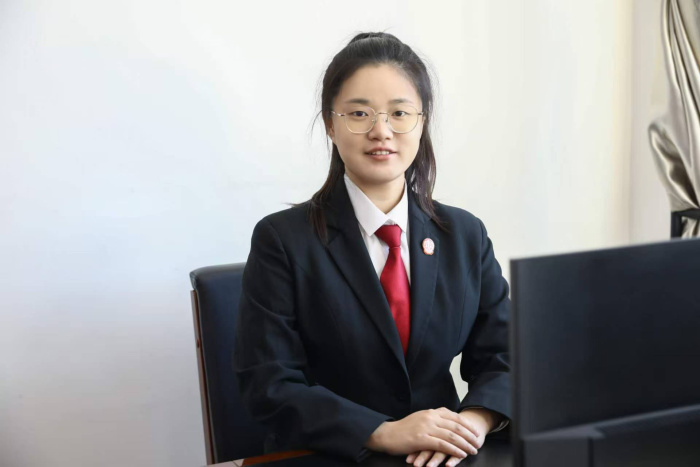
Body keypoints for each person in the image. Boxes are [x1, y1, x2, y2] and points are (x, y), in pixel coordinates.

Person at [234, 32, 510, 467]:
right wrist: (382, 431)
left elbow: (505, 354)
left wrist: (474, 422)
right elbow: (268, 382)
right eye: (359, 113)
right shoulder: (282, 241)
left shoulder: (464, 234)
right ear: (331, 124)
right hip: (330, 455)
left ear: (421, 122)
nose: (381, 131)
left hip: (442, 456)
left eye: (399, 113)